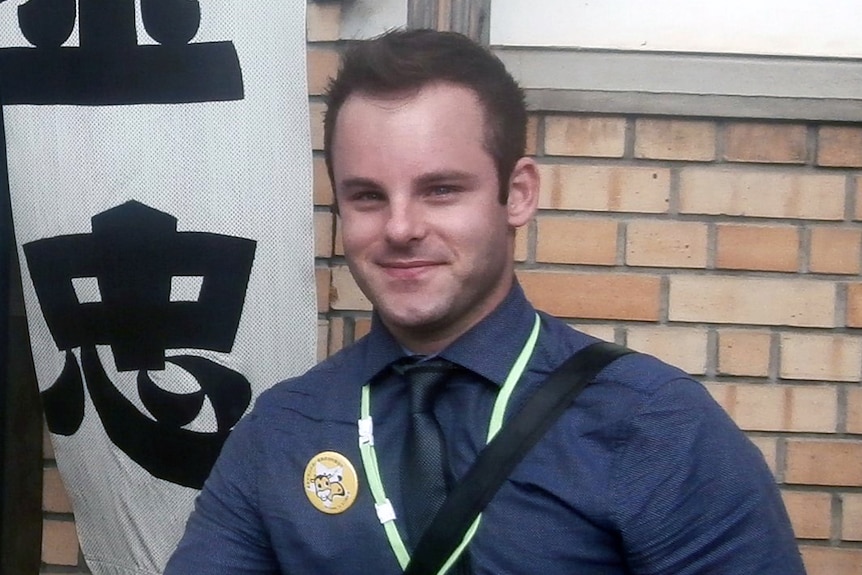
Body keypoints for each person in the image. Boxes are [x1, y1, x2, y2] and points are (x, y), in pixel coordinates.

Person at [165, 29, 806, 574]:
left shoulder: (653, 425)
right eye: (366, 196)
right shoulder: (284, 429)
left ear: (518, 193)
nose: (400, 228)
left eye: (440, 190)